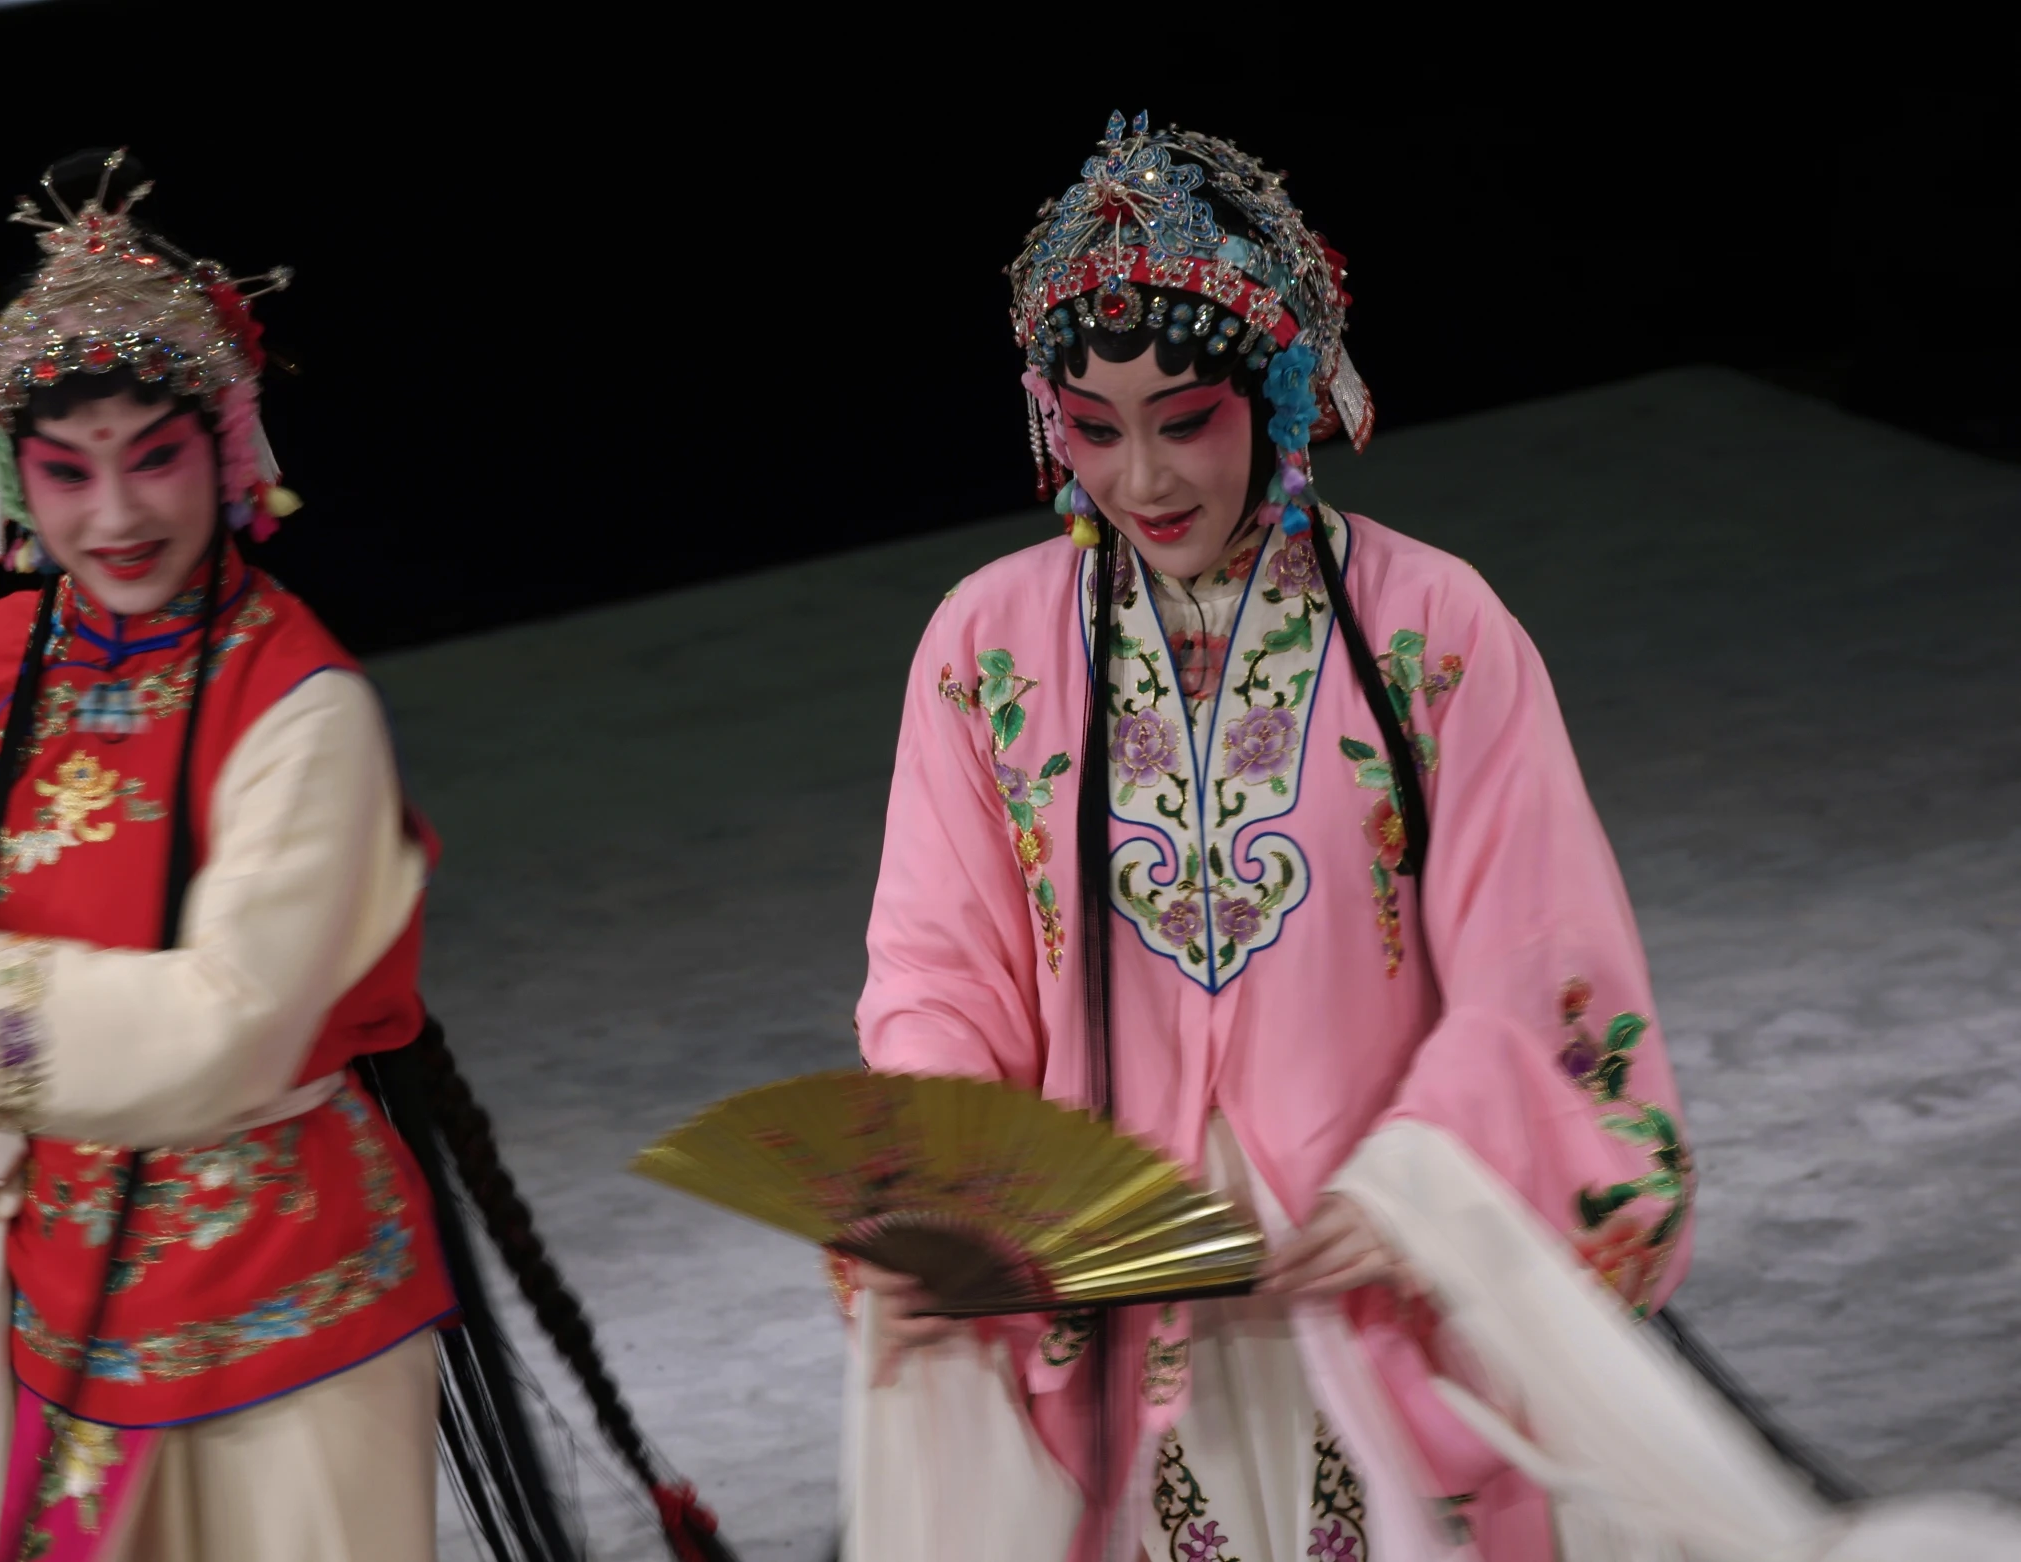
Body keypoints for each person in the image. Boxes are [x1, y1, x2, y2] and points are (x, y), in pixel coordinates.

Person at [836, 114, 2017, 1562]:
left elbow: (1539, 954)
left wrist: (1424, 1171)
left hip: (1366, 1256)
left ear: (1275, 396)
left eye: (1183, 419)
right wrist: (944, 1189)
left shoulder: (1426, 628)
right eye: (1095, 430)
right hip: (1111, 1289)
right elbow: (938, 967)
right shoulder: (986, 649)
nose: (1139, 480)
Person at [0, 149, 726, 1562]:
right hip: (44, 1276)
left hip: (288, 1304)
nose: (114, 517)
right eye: (65, 471)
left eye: (152, 457)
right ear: (11, 476)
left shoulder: (301, 704)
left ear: (226, 451)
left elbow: (235, 1020)